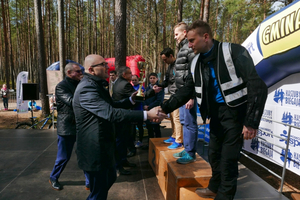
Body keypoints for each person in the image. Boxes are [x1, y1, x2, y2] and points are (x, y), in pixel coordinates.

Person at [159, 20, 267, 200]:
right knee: (214, 154)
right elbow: (186, 90)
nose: (189, 44)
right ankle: (214, 188)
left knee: (228, 160)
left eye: (192, 40)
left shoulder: (234, 51)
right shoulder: (196, 63)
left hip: (236, 115)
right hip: (215, 115)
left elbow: (258, 86)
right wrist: (163, 108)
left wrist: (251, 122)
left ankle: (224, 196)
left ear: (206, 37)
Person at [73, 54, 166, 200]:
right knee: (98, 191)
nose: (107, 67)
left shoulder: (96, 85)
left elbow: (110, 105)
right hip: (94, 149)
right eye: (103, 64)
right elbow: (110, 113)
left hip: (103, 146)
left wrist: (130, 100)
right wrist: (146, 115)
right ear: (91, 70)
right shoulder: (87, 89)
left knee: (108, 179)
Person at [49, 63, 89, 191]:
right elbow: (73, 102)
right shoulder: (61, 87)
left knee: (84, 154)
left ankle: (89, 181)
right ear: (69, 73)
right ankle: (53, 177)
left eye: (81, 71)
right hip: (66, 127)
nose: (80, 73)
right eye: (77, 71)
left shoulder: (80, 84)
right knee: (63, 157)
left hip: (81, 125)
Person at [172, 22, 198, 164]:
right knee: (183, 121)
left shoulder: (189, 48)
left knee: (189, 123)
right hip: (182, 93)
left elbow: (194, 73)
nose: (175, 37)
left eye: (177, 34)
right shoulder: (182, 48)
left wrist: (191, 96)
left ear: (185, 33)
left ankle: (190, 152)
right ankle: (186, 148)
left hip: (188, 95)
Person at [158, 48, 183, 149]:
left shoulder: (178, 66)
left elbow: (180, 82)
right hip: (172, 95)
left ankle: (179, 140)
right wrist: (160, 86)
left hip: (178, 95)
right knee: (172, 117)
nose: (164, 62)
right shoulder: (169, 67)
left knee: (177, 118)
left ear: (171, 56)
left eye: (165, 59)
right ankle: (173, 136)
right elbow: (167, 81)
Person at [144, 73, 164, 143]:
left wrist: (149, 106)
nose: (152, 80)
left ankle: (159, 143)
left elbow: (159, 100)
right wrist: (145, 106)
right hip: (147, 110)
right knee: (149, 128)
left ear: (157, 79)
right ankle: (150, 144)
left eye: (153, 78)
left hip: (155, 110)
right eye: (151, 78)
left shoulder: (159, 88)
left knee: (156, 127)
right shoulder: (148, 88)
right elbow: (144, 97)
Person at [131, 74, 145, 148]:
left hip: (139, 109)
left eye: (135, 80)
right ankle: (133, 140)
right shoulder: (131, 88)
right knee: (133, 127)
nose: (134, 81)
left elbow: (144, 98)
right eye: (132, 80)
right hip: (133, 110)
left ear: (138, 80)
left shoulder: (141, 87)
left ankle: (140, 141)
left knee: (140, 126)